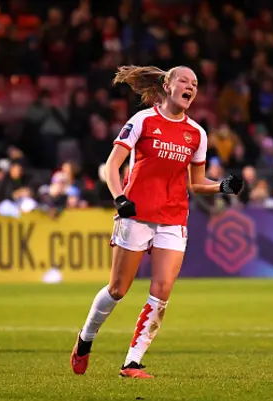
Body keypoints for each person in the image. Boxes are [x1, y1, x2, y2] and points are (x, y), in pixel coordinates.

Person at [70, 65, 243, 378]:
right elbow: (112, 166)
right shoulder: (143, 121)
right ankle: (86, 338)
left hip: (174, 217)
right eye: (184, 81)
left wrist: (222, 186)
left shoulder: (197, 134)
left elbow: (196, 181)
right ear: (168, 84)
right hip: (136, 213)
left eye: (195, 84)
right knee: (118, 289)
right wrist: (119, 198)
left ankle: (132, 362)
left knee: (162, 290)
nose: (191, 87)